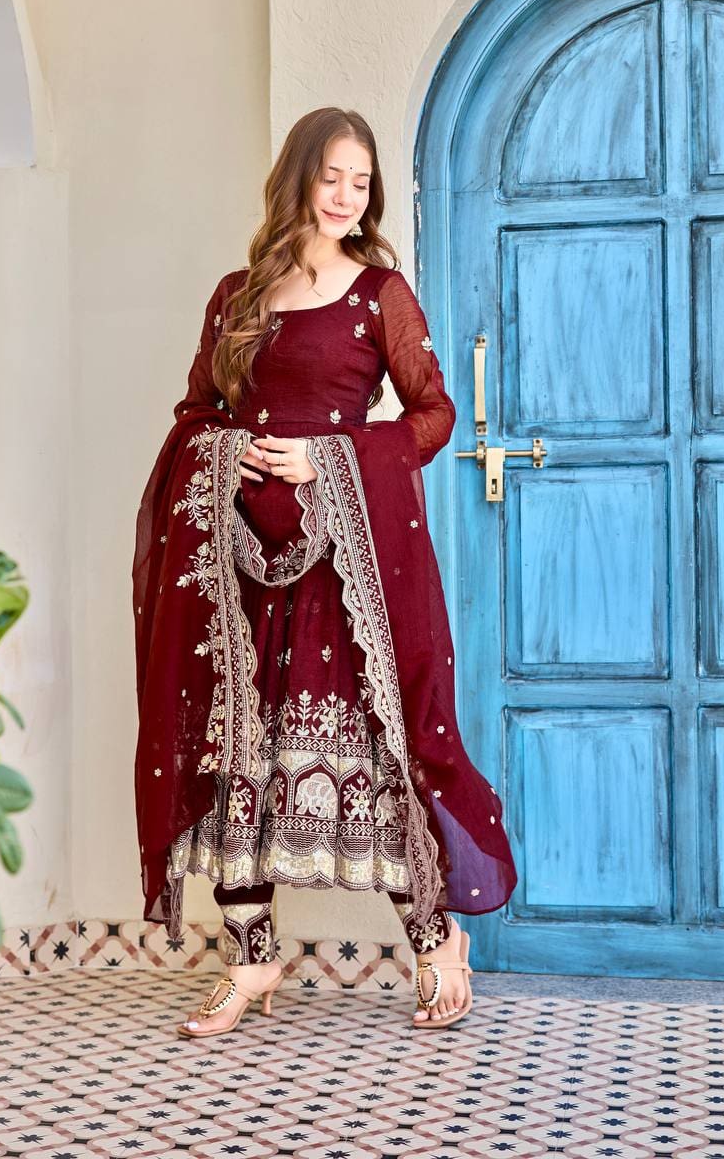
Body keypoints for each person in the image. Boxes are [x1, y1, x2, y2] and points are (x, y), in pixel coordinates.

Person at [132, 107, 517, 1040]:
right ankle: (250, 958)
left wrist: (327, 457)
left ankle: (434, 940)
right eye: (331, 176)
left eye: (361, 181)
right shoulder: (237, 296)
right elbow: (195, 413)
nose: (346, 196)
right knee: (240, 751)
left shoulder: (378, 294)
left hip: (345, 569)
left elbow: (433, 417)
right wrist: (230, 451)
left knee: (380, 747)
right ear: (297, 179)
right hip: (239, 566)